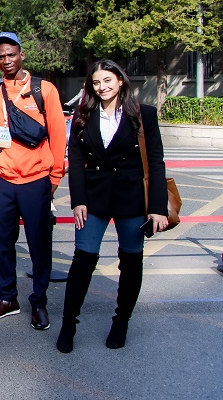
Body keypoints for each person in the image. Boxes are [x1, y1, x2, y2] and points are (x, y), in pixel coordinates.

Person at [57, 59, 169, 353]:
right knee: (83, 260)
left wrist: (157, 207)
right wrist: (78, 200)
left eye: (107, 80)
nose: (102, 87)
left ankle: (121, 322)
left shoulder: (144, 114)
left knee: (131, 261)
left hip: (131, 199)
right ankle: (68, 324)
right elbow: (76, 162)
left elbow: (155, 162)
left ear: (120, 80)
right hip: (93, 199)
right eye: (96, 82)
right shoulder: (82, 115)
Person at [0, 32, 66, 331]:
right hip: (4, 179)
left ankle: (39, 302)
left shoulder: (44, 90)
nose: (6, 60)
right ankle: (8, 299)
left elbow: (58, 134)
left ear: (21, 55)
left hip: (36, 179)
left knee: (39, 245)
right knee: (4, 243)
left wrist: (55, 175)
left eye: (11, 54)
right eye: (0, 57)